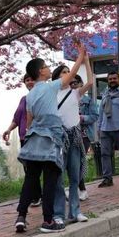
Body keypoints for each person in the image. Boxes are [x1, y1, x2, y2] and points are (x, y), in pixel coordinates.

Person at [14, 43, 87, 234]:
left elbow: (29, 122)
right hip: (52, 140)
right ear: (41, 71)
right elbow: (72, 74)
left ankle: (21, 216)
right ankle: (48, 221)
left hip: (34, 140)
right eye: (45, 66)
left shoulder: (30, 95)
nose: (48, 68)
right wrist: (80, 56)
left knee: (30, 179)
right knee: (50, 180)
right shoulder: (51, 87)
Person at [51, 60, 93, 225]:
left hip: (75, 138)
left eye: (69, 71)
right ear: (57, 77)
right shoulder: (52, 94)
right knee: (58, 178)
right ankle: (59, 213)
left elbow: (90, 82)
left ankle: (75, 212)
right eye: (64, 72)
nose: (68, 74)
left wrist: (87, 61)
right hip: (59, 139)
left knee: (75, 177)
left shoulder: (75, 93)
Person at [2, 74, 41, 207]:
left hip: (38, 137)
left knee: (35, 168)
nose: (30, 82)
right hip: (25, 138)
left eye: (32, 79)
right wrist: (8, 130)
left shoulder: (42, 97)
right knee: (28, 168)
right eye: (27, 80)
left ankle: (39, 196)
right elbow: (17, 119)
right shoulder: (23, 99)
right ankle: (36, 195)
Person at [74, 74, 98, 201]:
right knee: (72, 163)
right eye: (71, 83)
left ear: (81, 84)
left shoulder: (88, 101)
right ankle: (77, 188)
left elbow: (94, 116)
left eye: (76, 82)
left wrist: (82, 118)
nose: (74, 85)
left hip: (84, 135)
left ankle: (82, 189)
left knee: (79, 161)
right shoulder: (67, 99)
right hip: (70, 134)